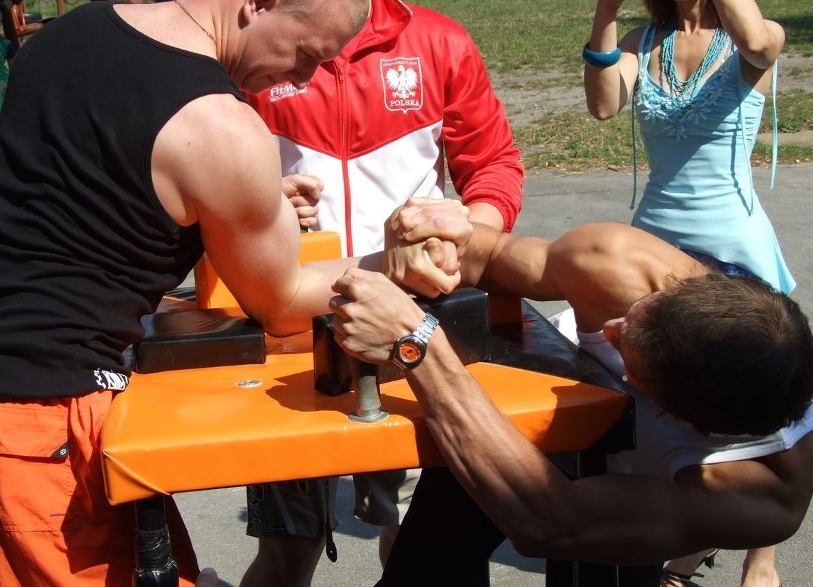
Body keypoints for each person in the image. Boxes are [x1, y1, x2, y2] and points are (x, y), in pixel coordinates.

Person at [0, 0, 458, 585]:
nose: (303, 79)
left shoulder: (71, 35)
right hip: (38, 424)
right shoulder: (222, 127)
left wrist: (239, 203)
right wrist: (395, 263)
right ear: (259, 2)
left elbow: (84, 192)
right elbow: (279, 298)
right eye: (305, 54)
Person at [325, 212, 813, 586]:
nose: (609, 329)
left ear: (692, 423)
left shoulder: (761, 497)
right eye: (636, 314)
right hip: (510, 423)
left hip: (610, 494)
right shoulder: (621, 263)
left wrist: (415, 344)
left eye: (625, 348)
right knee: (422, 571)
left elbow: (549, 522)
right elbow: (490, 257)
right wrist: (444, 234)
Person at [240, 0, 524, 584]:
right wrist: (260, 201)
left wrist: (469, 232)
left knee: (433, 542)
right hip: (294, 329)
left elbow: (495, 165)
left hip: (415, 321)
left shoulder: (438, 41)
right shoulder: (259, 43)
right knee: (290, 548)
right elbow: (212, 171)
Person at [583, 0, 793, 582]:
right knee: (659, 396)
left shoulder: (757, 37)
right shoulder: (645, 43)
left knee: (758, 404)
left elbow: (757, 39)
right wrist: (607, 7)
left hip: (734, 252)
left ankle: (763, 553)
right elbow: (601, 105)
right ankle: (681, 530)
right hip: (653, 250)